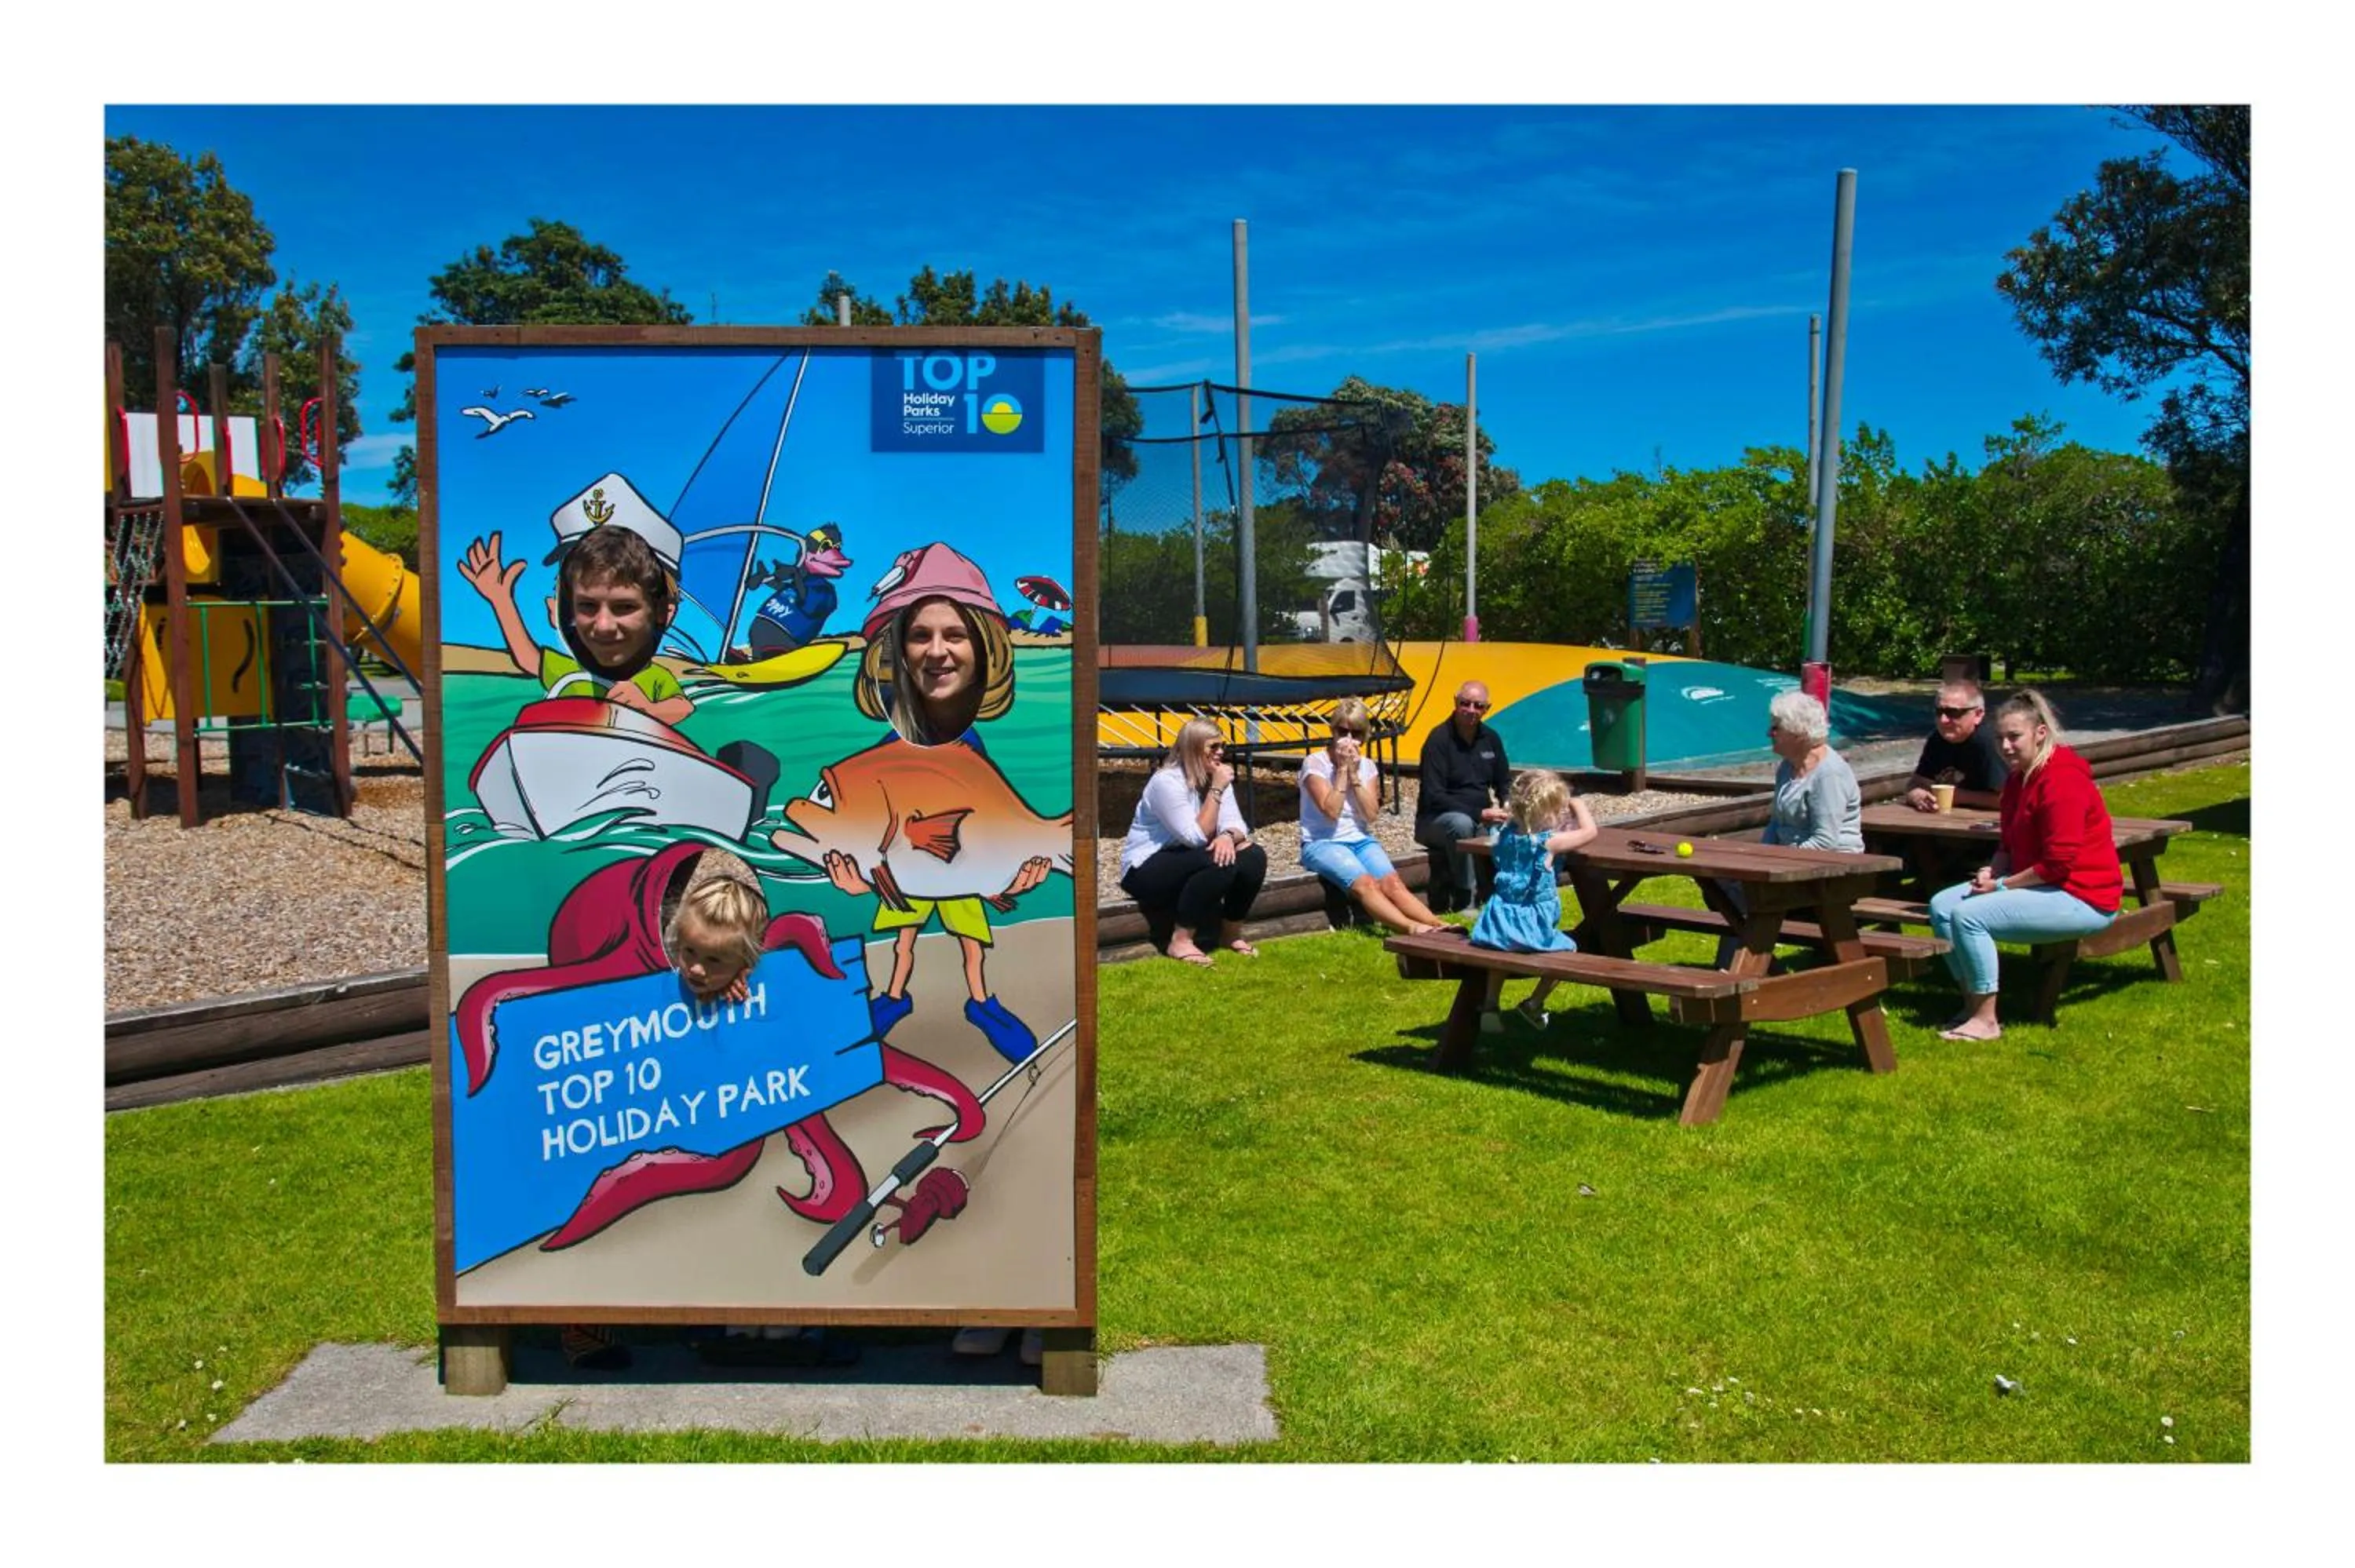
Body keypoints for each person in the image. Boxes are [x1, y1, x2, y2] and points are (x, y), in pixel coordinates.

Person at [830, 544, 1045, 1063]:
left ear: (986, 648)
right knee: (903, 940)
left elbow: (989, 827)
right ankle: (893, 996)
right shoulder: (887, 752)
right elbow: (874, 830)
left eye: (956, 634)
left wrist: (1004, 881)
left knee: (971, 944)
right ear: (896, 651)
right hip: (905, 871)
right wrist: (862, 881)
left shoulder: (972, 751)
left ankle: (982, 1002)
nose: (937, 651)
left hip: (959, 871)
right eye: (919, 635)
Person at [1927, 690, 2121, 1041]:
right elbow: (2008, 844)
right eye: (2000, 738)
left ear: (2040, 733)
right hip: (2042, 886)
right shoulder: (2018, 779)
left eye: (2014, 737)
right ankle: (1971, 1004)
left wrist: (2001, 886)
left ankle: (1987, 1020)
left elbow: (2058, 864)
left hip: (2083, 896)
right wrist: (1992, 871)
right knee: (1942, 905)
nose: (2006, 746)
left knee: (1969, 916)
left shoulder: (2063, 780)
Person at [458, 516, 696, 725]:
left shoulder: (655, 676)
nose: (603, 626)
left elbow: (683, 706)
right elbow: (526, 657)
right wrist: (501, 600)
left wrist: (650, 709)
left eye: (624, 607)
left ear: (662, 613)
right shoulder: (569, 670)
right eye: (588, 606)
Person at [1713, 691, 1861, 967]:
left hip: (1831, 871)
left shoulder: (1829, 774)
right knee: (1722, 883)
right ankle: (1747, 964)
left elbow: (1825, 842)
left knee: (1743, 894)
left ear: (1799, 733)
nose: (1769, 733)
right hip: (1795, 862)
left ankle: (1737, 968)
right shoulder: (1788, 767)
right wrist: (1762, 857)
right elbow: (1777, 823)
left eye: (1776, 728)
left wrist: (1777, 865)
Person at [1119, 717, 1269, 967]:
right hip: (1145, 868)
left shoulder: (1216, 776)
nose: (1220, 752)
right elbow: (1194, 837)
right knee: (1219, 860)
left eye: (1222, 746)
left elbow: (1238, 825)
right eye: (1213, 747)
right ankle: (1181, 941)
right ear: (1193, 748)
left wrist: (1226, 836)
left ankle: (1230, 935)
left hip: (1190, 858)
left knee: (1253, 857)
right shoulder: (1166, 782)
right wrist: (1217, 790)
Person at [1302, 698, 1449, 935]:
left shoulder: (1367, 766)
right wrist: (1342, 770)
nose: (1349, 739)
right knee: (1366, 884)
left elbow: (1370, 814)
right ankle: (1411, 928)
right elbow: (1331, 811)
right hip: (1323, 842)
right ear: (1333, 731)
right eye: (1343, 732)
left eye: (1356, 733)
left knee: (1393, 883)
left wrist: (1355, 775)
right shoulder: (1314, 764)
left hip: (1360, 840)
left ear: (1365, 736)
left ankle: (1438, 924)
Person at [1469, 769, 1599, 1034]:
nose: (1560, 817)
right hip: (1532, 926)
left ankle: (1491, 1004)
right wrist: (1578, 804)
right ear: (1542, 812)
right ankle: (1534, 1003)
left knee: (1501, 950)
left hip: (1498, 921)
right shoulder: (1549, 843)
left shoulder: (1505, 835)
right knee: (1569, 951)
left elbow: (1518, 821)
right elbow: (1590, 831)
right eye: (1557, 812)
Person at [1414, 681, 1512, 913]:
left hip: (1480, 818)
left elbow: (1504, 781)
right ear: (1455, 703)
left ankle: (1507, 894)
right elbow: (1434, 795)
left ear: (1487, 709)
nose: (1471, 710)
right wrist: (1479, 813)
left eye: (1478, 706)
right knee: (1462, 824)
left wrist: (1508, 806)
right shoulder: (1438, 740)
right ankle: (1465, 897)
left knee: (1509, 827)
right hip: (1435, 821)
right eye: (1465, 703)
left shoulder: (1491, 739)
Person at [1900, 678, 2005, 811]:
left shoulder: (1990, 742)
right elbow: (1917, 783)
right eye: (1939, 712)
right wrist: (1919, 796)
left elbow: (2012, 798)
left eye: (1953, 713)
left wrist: (1958, 796)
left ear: (1978, 715)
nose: (1943, 720)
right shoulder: (1938, 739)